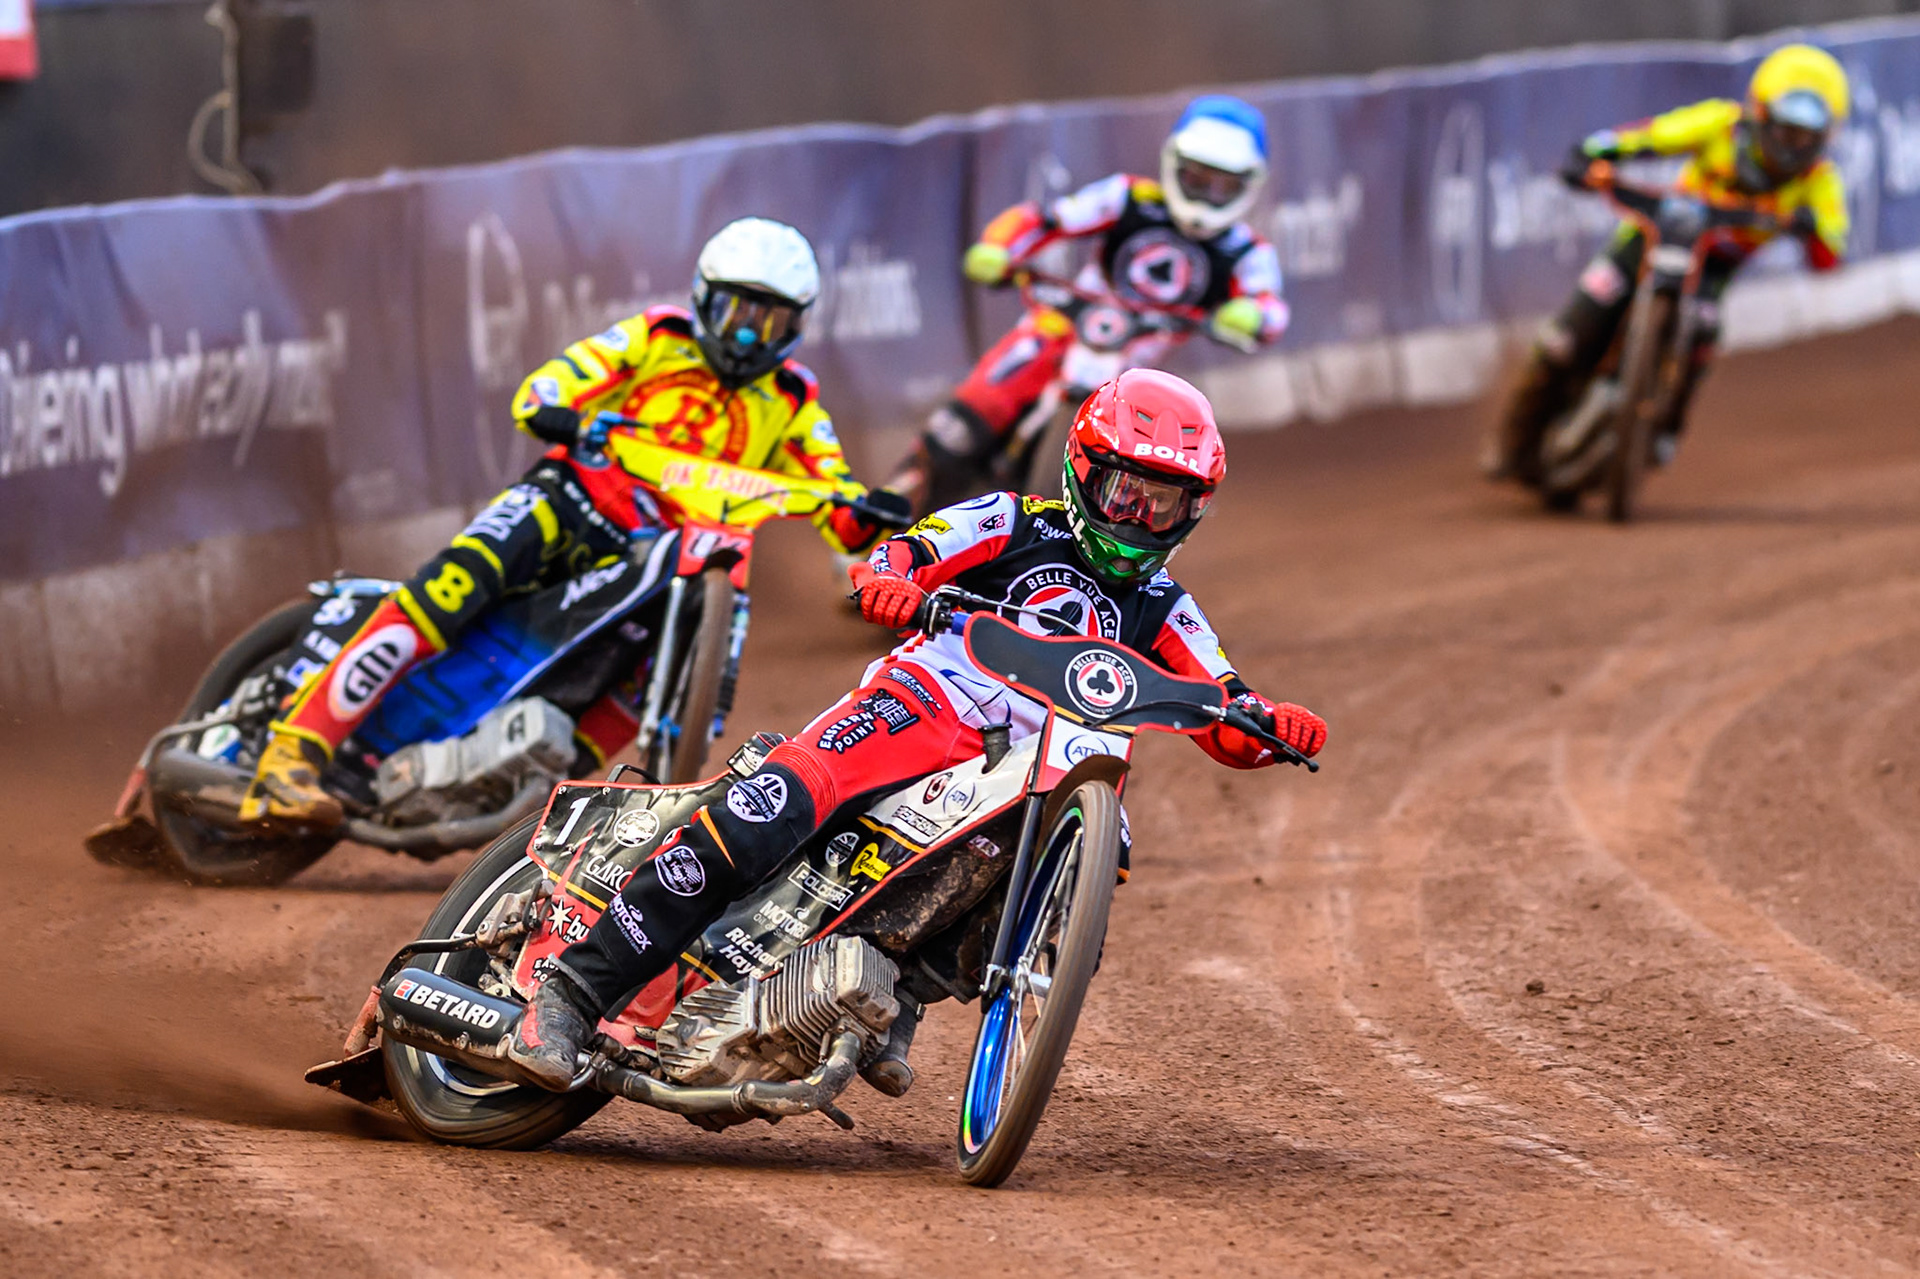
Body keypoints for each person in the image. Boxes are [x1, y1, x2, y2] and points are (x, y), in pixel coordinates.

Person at [505, 368, 1328, 1089]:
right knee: (779, 801)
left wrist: (1269, 724)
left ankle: (896, 988)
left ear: (1195, 511)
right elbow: (905, 553)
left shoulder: (1170, 609)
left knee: (1092, 855)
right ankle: (570, 990)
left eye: (1166, 503)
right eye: (1126, 493)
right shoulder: (1015, 517)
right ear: (1083, 470)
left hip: (1039, 767)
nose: (1140, 519)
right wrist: (891, 582)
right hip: (930, 705)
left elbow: (1226, 706)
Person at [240, 218, 903, 827]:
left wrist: (868, 513)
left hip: (661, 559)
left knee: (637, 685)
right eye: (736, 312)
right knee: (449, 589)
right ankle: (292, 755)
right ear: (703, 298)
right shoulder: (655, 337)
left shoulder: (791, 400)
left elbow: (836, 498)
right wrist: (562, 412)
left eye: (770, 321)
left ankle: (520, 791)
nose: (748, 335)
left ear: (798, 327)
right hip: (574, 502)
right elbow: (546, 388)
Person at [884, 94, 1290, 517]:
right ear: (1174, 165)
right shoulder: (1130, 197)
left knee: (1127, 472)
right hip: (1060, 327)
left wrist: (1252, 316)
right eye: (1198, 178)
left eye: (1225, 184)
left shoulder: (1245, 250)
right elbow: (1047, 218)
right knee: (967, 419)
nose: (1208, 193)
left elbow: (1272, 309)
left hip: (1132, 373)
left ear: (1248, 185)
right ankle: (884, 514)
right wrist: (999, 248)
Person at [1491, 43, 1850, 483]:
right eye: (1786, 130)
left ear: (1825, 137)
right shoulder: (1721, 124)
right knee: (1565, 337)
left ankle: (1667, 427)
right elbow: (1649, 135)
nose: (1793, 145)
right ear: (1759, 113)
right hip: (1650, 239)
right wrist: (1595, 152)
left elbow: (1832, 251)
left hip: (1713, 268)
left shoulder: (1820, 182)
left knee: (1704, 331)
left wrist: (1812, 230)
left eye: (1807, 136)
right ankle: (1513, 441)